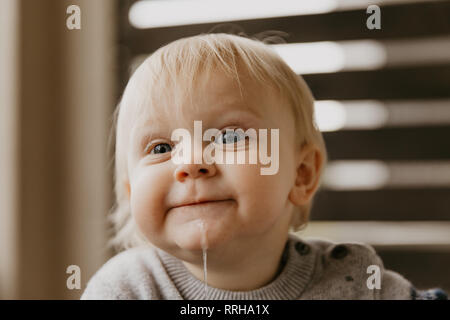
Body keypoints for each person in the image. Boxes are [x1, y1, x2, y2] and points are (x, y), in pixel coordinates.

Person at [81, 33, 447, 300]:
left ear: (301, 174)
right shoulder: (125, 290)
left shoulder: (353, 281)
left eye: (229, 137)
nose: (191, 163)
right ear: (131, 193)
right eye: (161, 147)